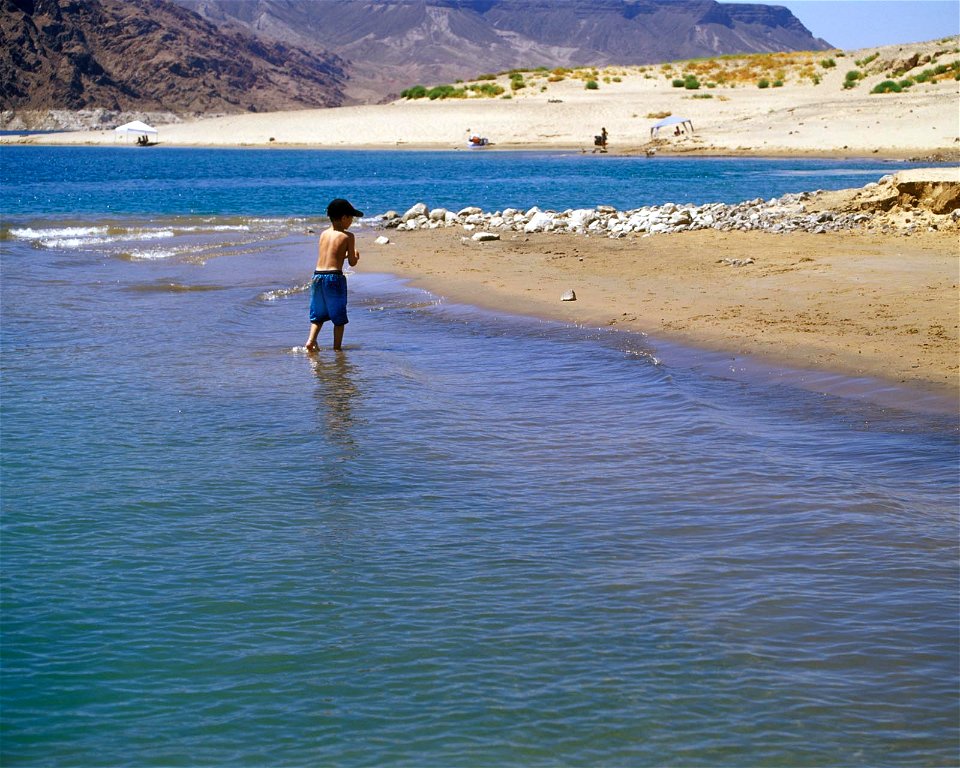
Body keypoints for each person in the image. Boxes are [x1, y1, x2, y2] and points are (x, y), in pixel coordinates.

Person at [304, 198, 363, 352]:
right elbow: (352, 262)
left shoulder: (323, 234)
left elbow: (330, 255)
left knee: (318, 315)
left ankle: (311, 341)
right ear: (344, 218)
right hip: (334, 278)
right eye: (351, 218)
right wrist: (355, 255)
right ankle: (337, 349)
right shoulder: (348, 236)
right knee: (339, 319)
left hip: (318, 276)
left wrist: (342, 257)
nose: (352, 222)